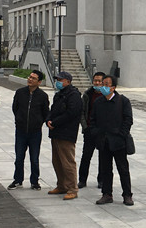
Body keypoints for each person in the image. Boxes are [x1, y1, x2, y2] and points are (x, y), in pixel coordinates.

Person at [92, 75, 134, 206]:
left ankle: (127, 195)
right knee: (105, 169)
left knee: (123, 169)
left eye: (106, 84)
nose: (103, 87)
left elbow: (128, 120)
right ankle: (106, 194)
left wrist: (121, 135)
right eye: (102, 84)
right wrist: (96, 133)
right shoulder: (98, 102)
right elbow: (93, 120)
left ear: (113, 87)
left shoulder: (123, 101)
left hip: (118, 142)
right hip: (103, 141)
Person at [9, 70, 49, 190]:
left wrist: (38, 122)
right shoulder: (20, 92)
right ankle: (18, 180)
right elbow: (15, 108)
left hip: (35, 132)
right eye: (30, 77)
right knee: (19, 157)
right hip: (21, 131)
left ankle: (34, 181)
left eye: (33, 78)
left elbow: (45, 113)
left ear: (39, 82)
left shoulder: (42, 96)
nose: (30, 79)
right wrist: (19, 119)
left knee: (34, 158)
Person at [46, 71, 83, 200]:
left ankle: (72, 188)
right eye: (57, 79)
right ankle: (62, 185)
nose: (58, 82)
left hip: (66, 133)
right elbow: (52, 110)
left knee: (67, 162)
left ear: (68, 81)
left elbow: (71, 113)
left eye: (60, 80)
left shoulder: (74, 95)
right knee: (57, 161)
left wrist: (55, 122)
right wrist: (48, 120)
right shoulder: (59, 94)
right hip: (55, 132)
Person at [78, 71, 106, 189]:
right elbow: (82, 112)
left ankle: (102, 180)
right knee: (86, 156)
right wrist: (85, 127)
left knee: (103, 157)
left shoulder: (107, 95)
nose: (97, 83)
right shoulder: (87, 94)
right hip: (89, 130)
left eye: (100, 81)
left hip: (103, 131)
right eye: (95, 81)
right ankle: (82, 180)